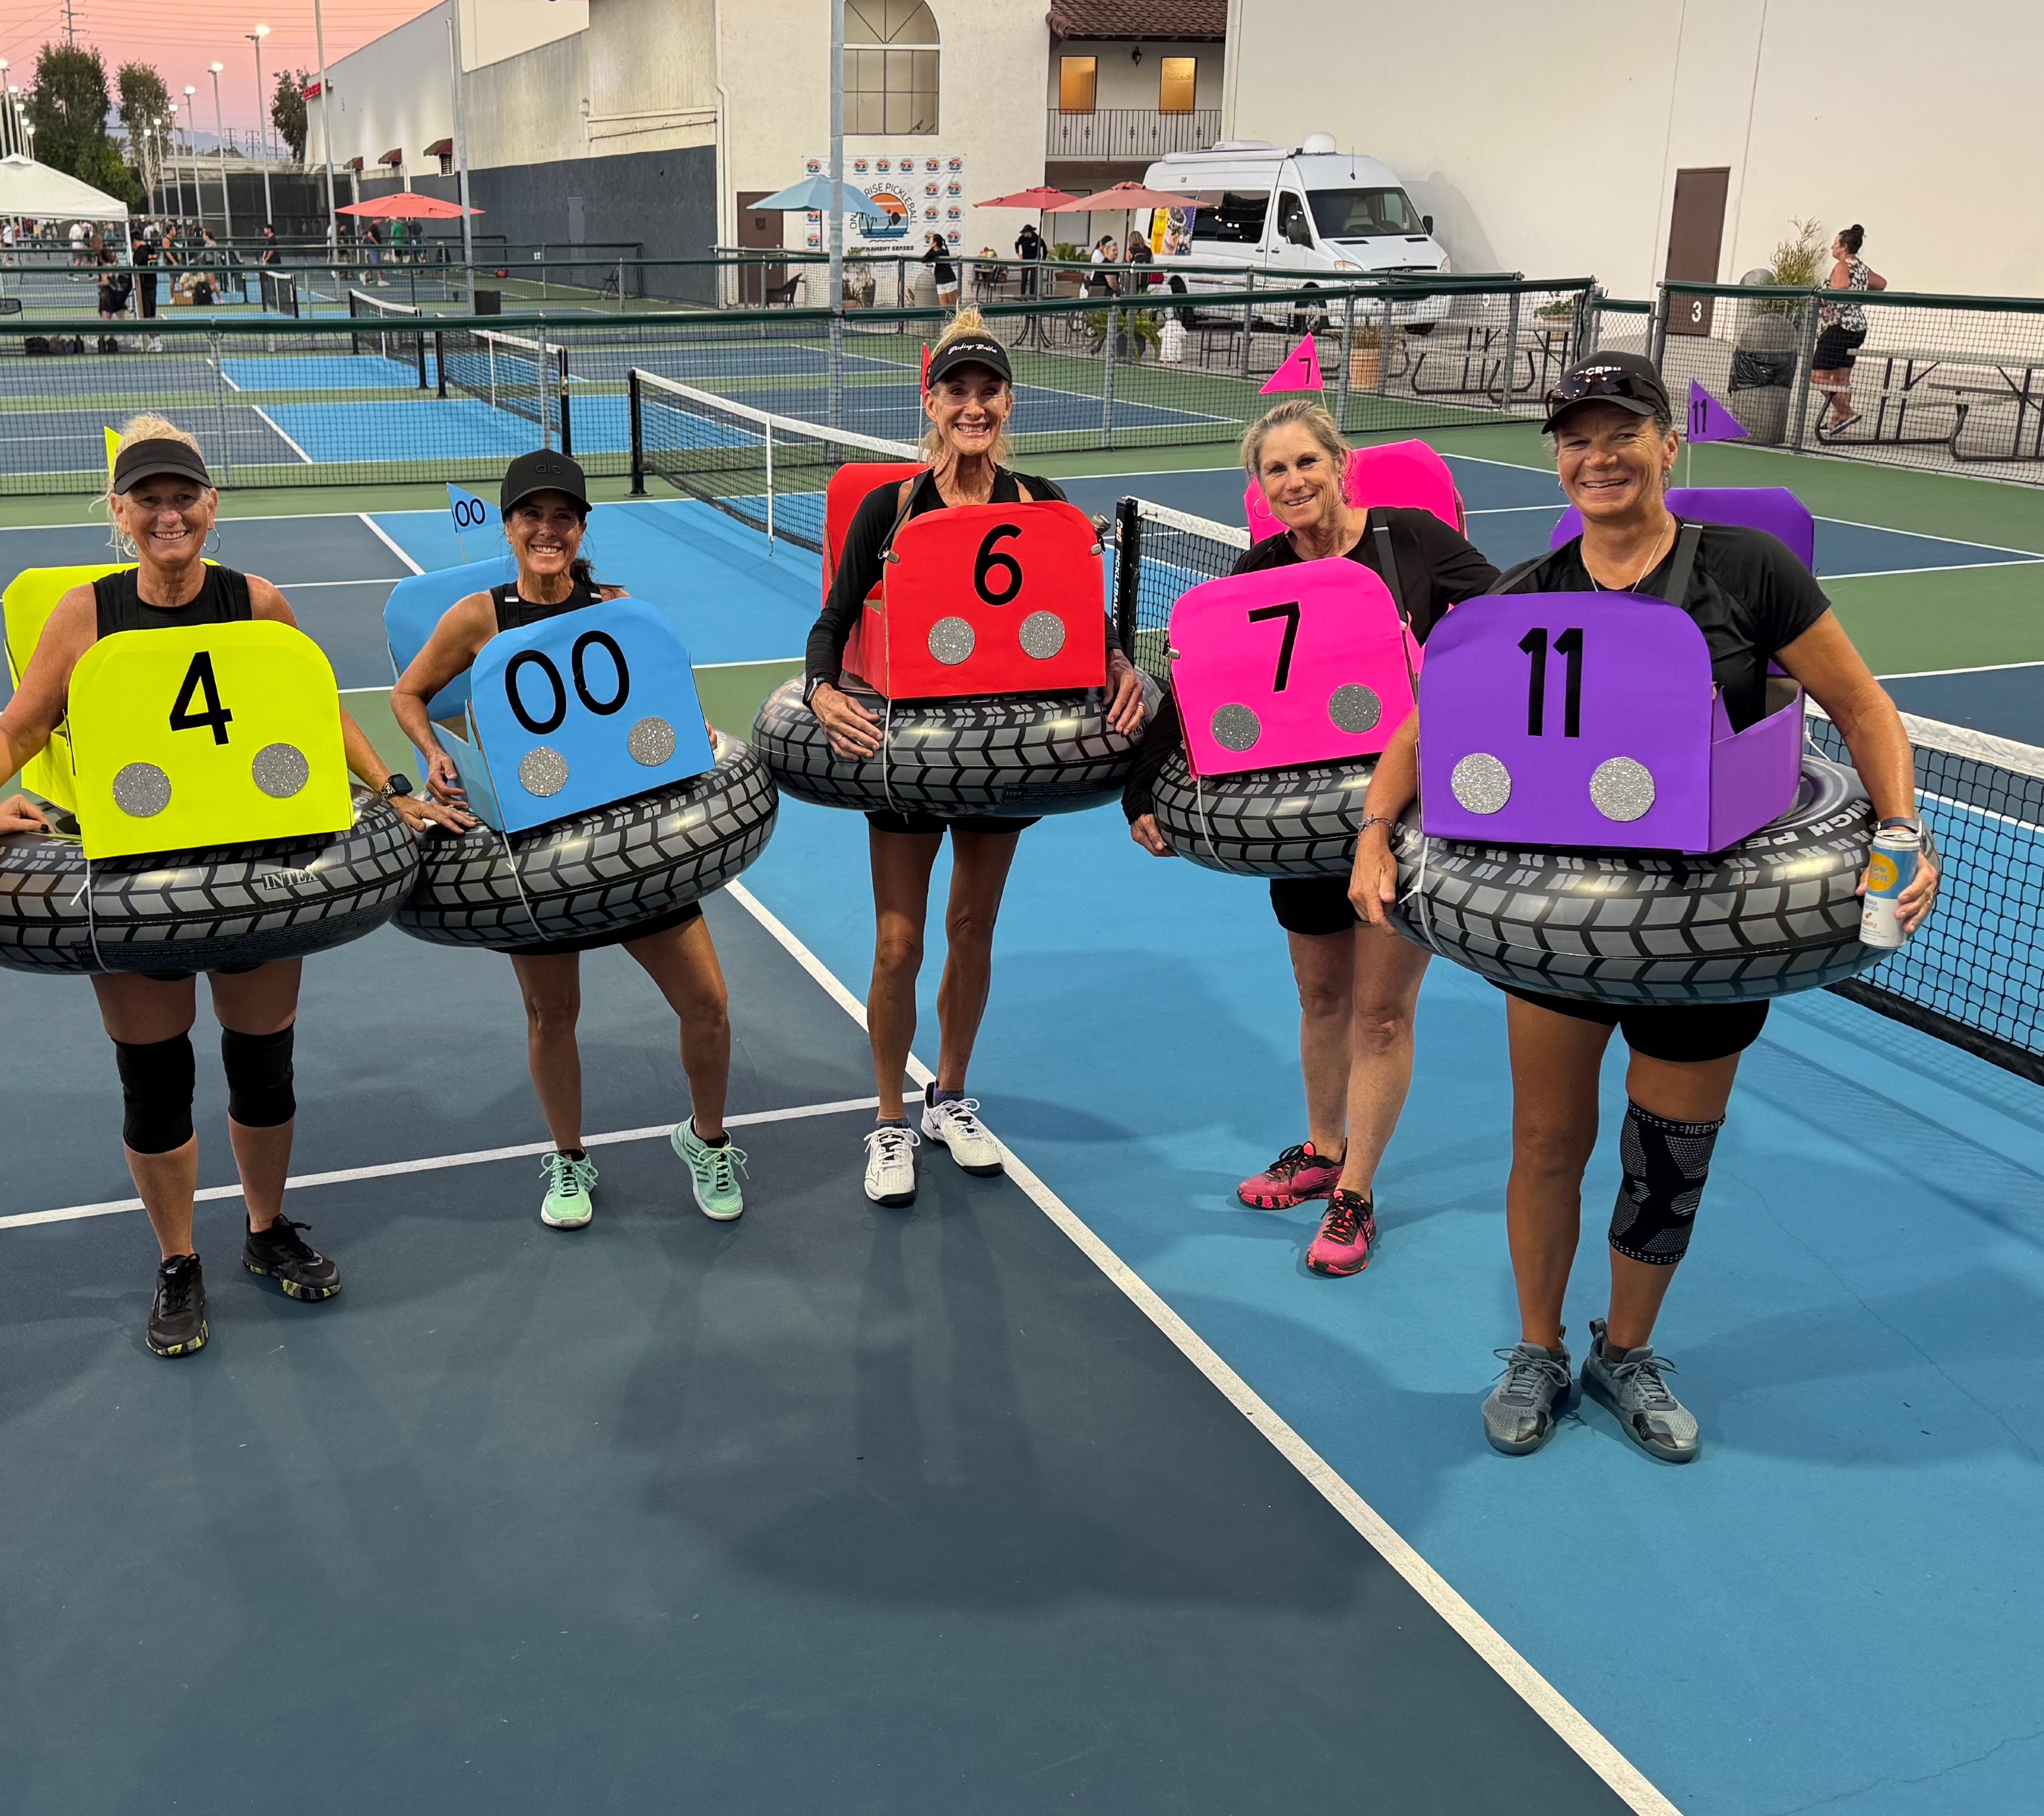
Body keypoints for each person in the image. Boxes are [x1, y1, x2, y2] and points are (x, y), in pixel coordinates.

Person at [1349, 354, 1939, 1462]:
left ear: (1669, 446)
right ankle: (1536, 1348)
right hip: (1560, 921)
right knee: (1546, 1136)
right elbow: (1426, 730)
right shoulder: (1521, 595)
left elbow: (1862, 707)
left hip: (1710, 922)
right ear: (1557, 459)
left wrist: (1899, 828)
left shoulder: (1748, 569)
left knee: (1668, 1152)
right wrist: (1376, 832)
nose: (1598, 455)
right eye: (1575, 437)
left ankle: (1625, 1348)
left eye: (1622, 432)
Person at [0, 418, 462, 1357]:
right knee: (156, 1079)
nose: (168, 514)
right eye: (149, 500)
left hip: (255, 864)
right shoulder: (86, 614)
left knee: (262, 1066)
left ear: (212, 506)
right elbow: (22, 723)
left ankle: (264, 1229)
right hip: (130, 873)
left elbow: (314, 707)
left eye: (184, 497)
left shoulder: (257, 602)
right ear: (120, 512)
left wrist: (392, 791)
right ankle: (178, 1259)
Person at [1126, 401, 1496, 1276]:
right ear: (1259, 488)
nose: (1292, 482)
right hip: (1295, 824)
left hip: (1400, 813)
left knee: (1378, 1008)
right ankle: (1320, 1146)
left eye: (1305, 463)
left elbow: (1503, 621)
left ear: (1339, 464)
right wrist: (1140, 785)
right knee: (1321, 1000)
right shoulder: (1257, 569)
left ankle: (1355, 1190)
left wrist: (1440, 680)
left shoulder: (1411, 540)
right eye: (1274, 471)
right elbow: (1194, 686)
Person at [804, 308, 1148, 1205]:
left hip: (1006, 750)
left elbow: (1086, 625)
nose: (972, 405)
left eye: (986, 389)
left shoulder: (1039, 504)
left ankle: (947, 1097)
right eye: (955, 390)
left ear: (1007, 401)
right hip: (908, 752)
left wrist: (1119, 665)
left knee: (970, 930)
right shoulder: (892, 506)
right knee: (895, 943)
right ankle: (888, 1118)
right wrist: (819, 689)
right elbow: (835, 618)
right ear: (930, 401)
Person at [388, 451, 747, 1233]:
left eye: (562, 517)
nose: (546, 530)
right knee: (552, 1015)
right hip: (536, 860)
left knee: (708, 1004)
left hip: (632, 844)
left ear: (581, 529)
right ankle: (569, 1157)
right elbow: (408, 692)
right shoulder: (478, 617)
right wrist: (436, 753)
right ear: (508, 525)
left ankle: (708, 1138)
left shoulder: (617, 607)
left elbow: (667, 699)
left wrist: (693, 728)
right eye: (531, 516)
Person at [1812, 224, 1886, 438]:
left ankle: (1847, 412)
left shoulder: (1842, 267)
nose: (1832, 248)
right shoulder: (1861, 268)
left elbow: (1841, 287)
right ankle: (1838, 417)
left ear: (1844, 247)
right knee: (1842, 378)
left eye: (1835, 244)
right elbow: (1881, 283)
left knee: (1818, 375)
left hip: (1839, 328)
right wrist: (1859, 291)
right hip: (1858, 328)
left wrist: (1829, 296)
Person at [924, 231, 958, 311]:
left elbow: (930, 255)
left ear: (935, 243)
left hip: (950, 281)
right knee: (944, 307)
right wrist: (932, 249)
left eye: (931, 241)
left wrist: (932, 249)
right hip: (940, 282)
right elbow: (924, 259)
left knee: (953, 306)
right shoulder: (933, 253)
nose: (930, 243)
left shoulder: (944, 252)